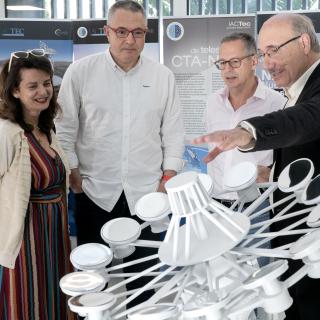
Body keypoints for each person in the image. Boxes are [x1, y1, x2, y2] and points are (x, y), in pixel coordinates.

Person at [55, 0, 184, 306]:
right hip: (95, 194)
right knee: (94, 284)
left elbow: (174, 131)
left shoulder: (163, 76)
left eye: (138, 32)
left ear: (146, 33)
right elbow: (64, 128)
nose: (130, 40)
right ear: (107, 32)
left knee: (145, 284)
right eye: (122, 31)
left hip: (147, 198)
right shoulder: (80, 72)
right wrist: (73, 172)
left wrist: (168, 176)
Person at [194, 13, 320, 320]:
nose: (267, 63)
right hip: (291, 229)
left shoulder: (305, 95)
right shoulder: (295, 90)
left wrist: (248, 132)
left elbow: (306, 119)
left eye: (273, 51)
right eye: (264, 54)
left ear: (304, 42)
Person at [0, 52, 74, 319]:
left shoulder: (46, 128)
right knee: (28, 302)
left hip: (55, 236)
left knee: (56, 299)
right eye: (33, 86)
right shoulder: (6, 132)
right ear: (15, 91)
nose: (43, 91)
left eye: (47, 83)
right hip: (25, 240)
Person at [206, 32, 286, 204]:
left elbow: (288, 158)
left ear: (254, 61)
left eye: (235, 62)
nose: (228, 69)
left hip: (257, 204)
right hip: (214, 202)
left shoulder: (278, 105)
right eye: (222, 63)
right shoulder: (213, 102)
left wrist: (271, 172)